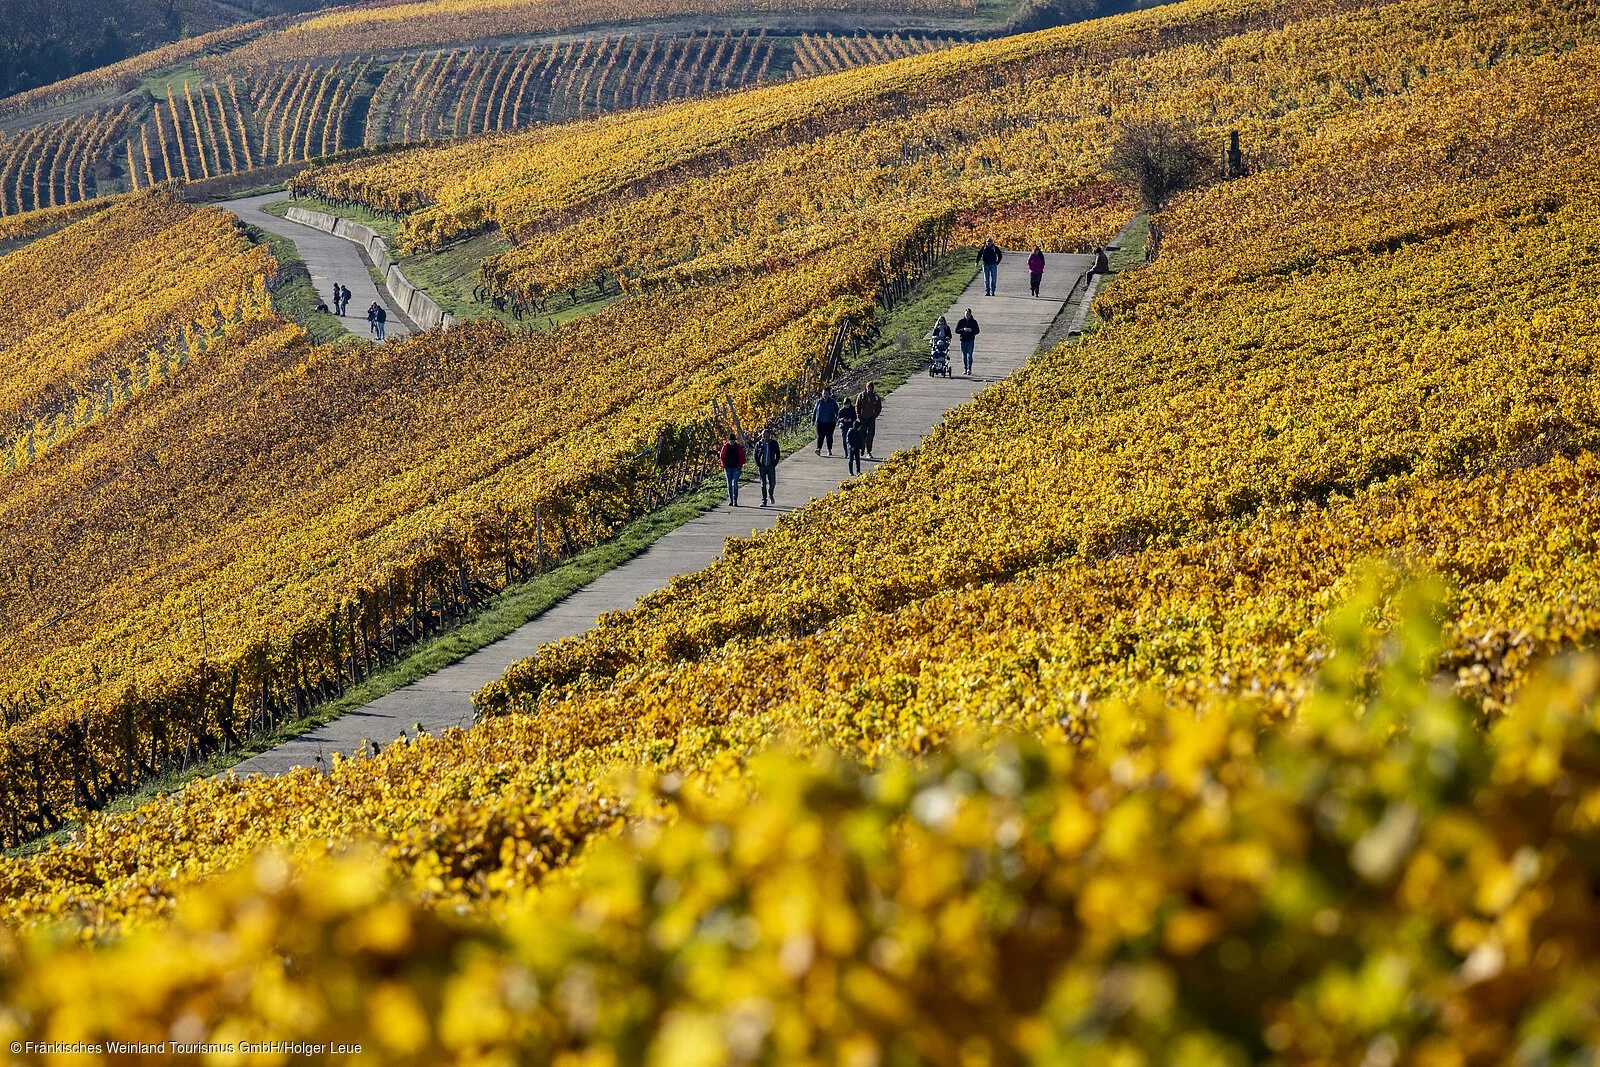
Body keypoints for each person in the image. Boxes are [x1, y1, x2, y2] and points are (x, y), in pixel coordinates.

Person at [856, 381, 883, 459]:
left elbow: (879, 407)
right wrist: (858, 415)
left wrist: (875, 415)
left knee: (870, 435)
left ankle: (869, 451)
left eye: (871, 388)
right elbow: (857, 406)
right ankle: (861, 449)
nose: (869, 389)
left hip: (871, 418)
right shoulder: (861, 395)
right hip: (862, 418)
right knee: (862, 434)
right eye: (868, 388)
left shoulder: (876, 396)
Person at [719, 431, 746, 506]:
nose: (732, 442)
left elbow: (742, 456)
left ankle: (735, 500)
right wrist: (723, 464)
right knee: (729, 485)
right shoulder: (725, 447)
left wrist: (741, 464)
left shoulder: (738, 447)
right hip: (727, 467)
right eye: (730, 440)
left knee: (735, 484)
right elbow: (722, 456)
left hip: (736, 467)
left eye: (733, 440)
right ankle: (731, 500)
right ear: (729, 440)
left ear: (735, 440)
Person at [754, 427, 780, 506]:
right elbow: (755, 455)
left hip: (770, 466)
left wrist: (774, 463)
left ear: (769, 436)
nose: (765, 438)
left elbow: (778, 455)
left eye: (766, 436)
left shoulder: (774, 443)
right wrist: (758, 464)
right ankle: (764, 500)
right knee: (763, 484)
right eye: (763, 436)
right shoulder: (759, 444)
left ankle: (771, 494)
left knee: (772, 483)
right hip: (762, 466)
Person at [814, 386, 839, 456]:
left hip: (830, 422)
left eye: (826, 394)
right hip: (820, 421)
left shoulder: (832, 402)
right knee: (820, 436)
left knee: (829, 436)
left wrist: (837, 418)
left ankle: (829, 449)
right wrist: (813, 420)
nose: (825, 395)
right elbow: (815, 410)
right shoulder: (819, 401)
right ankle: (818, 449)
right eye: (824, 393)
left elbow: (837, 411)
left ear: (829, 394)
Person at [955, 309, 980, 375]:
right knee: (964, 355)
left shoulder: (974, 322)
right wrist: (963, 329)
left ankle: (969, 369)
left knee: (970, 355)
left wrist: (971, 330)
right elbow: (956, 330)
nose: (967, 316)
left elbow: (977, 331)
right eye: (966, 314)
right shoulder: (961, 321)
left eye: (968, 314)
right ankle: (965, 369)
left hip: (970, 340)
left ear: (970, 314)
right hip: (963, 340)